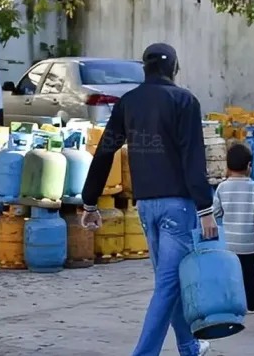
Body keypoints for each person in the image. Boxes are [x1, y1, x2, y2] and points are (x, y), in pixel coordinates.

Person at [80, 43, 217, 356]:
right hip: (177, 208)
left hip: (146, 207)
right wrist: (206, 209)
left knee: (170, 284)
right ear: (174, 68)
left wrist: (90, 202)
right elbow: (192, 159)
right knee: (168, 286)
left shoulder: (128, 103)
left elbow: (105, 152)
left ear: (144, 68)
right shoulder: (184, 100)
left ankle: (189, 347)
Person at [213, 142, 254, 314]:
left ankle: (231, 303)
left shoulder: (222, 187)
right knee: (250, 275)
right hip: (248, 243)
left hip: (229, 243)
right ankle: (252, 304)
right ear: (249, 166)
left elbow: (216, 213)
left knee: (230, 275)